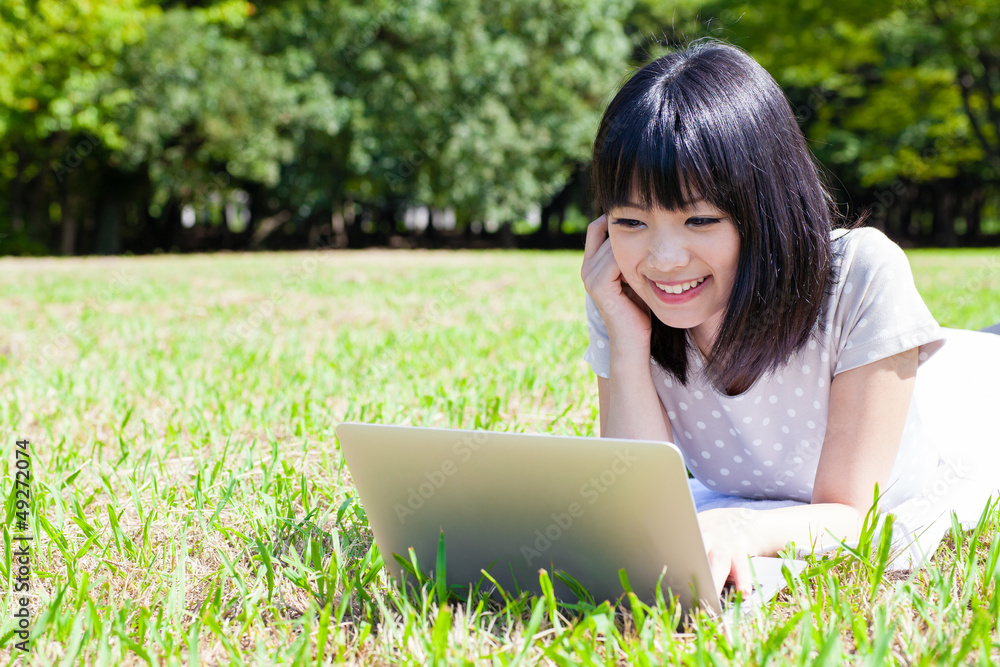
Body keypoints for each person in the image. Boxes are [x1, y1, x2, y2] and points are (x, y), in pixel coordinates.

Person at [579, 39, 1000, 598]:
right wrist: (628, 342)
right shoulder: (622, 292)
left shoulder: (860, 273)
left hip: (970, 402)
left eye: (700, 219)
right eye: (630, 221)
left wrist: (740, 527)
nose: (662, 259)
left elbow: (852, 517)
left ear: (766, 206)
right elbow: (637, 508)